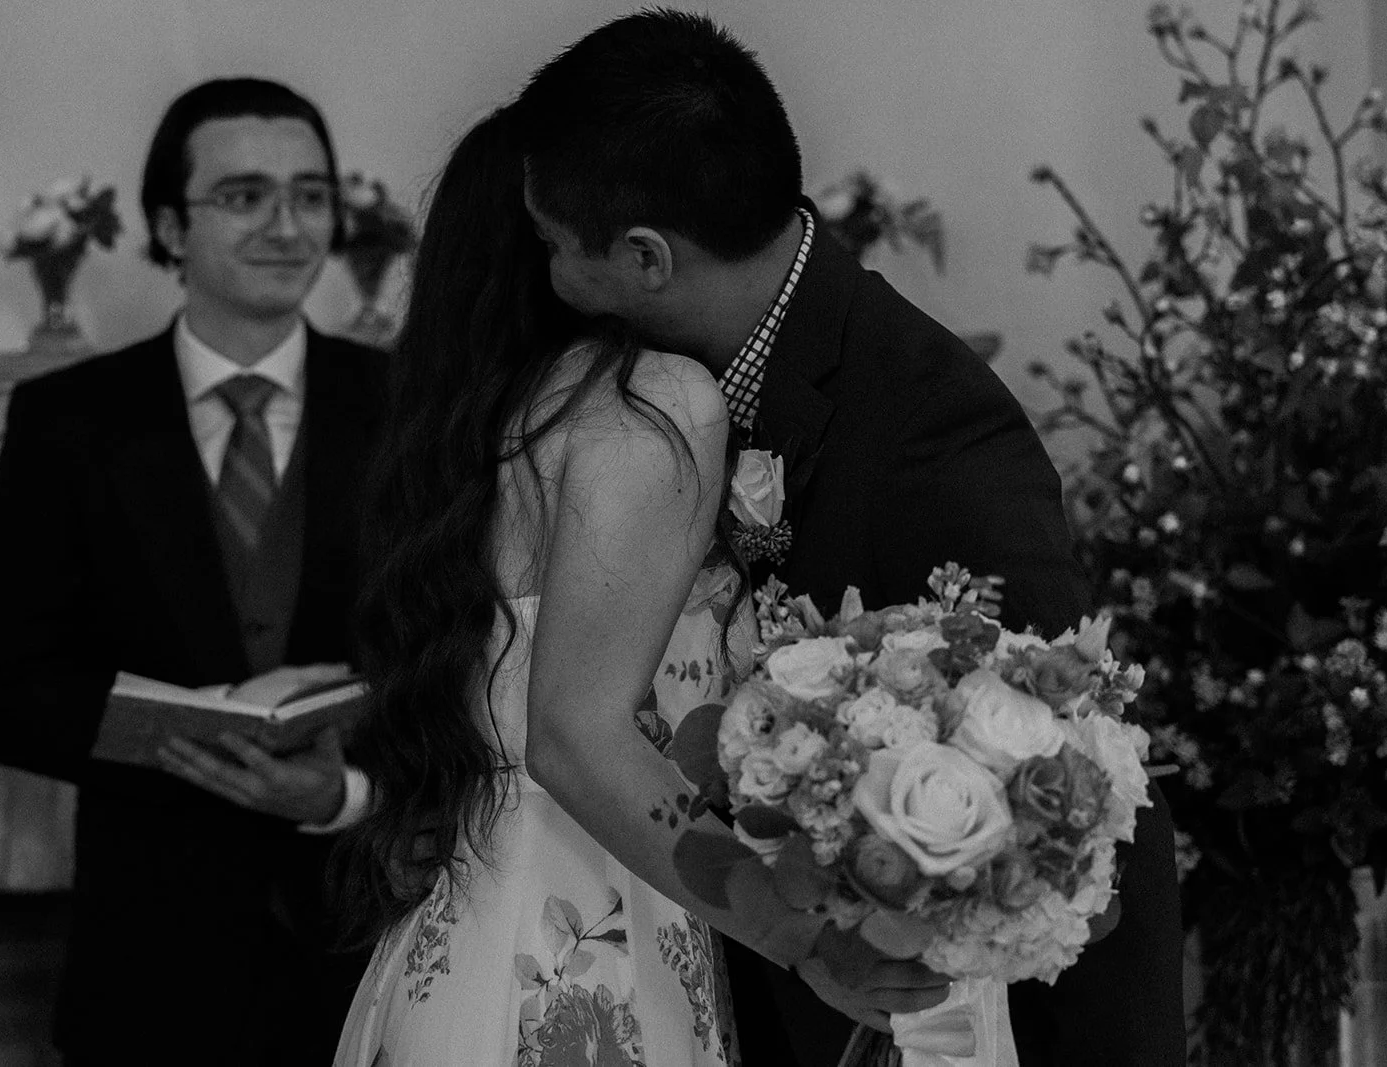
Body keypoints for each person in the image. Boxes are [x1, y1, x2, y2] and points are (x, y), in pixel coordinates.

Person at [512, 10, 1186, 1067]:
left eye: (554, 246)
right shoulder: (687, 378)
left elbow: (1076, 798)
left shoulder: (933, 438)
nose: (544, 277)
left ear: (644, 257)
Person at [328, 107, 945, 1066]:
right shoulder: (648, 401)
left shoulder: (479, 427)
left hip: (464, 930)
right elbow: (579, 734)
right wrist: (806, 939)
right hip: (584, 942)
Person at [0, 77, 385, 1065]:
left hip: (368, 937)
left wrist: (343, 790)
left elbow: (460, 661)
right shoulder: (70, 421)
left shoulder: (408, 409)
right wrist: (180, 731)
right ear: (167, 225)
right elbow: (3, 690)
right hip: (152, 945)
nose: (286, 224)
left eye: (311, 195)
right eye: (243, 195)